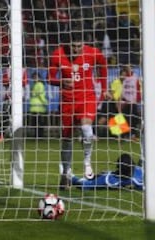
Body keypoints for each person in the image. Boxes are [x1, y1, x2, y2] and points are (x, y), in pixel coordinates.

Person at [48, 32, 112, 190]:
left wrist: (104, 88)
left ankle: (87, 162)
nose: (76, 50)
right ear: (67, 44)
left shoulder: (92, 52)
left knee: (86, 127)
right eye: (73, 46)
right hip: (67, 102)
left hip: (86, 98)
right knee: (67, 139)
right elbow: (50, 78)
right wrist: (60, 82)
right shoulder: (57, 54)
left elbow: (103, 65)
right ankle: (66, 174)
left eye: (79, 46)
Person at [71, 148, 155, 191]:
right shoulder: (111, 178)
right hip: (147, 177)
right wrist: (72, 178)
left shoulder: (112, 178)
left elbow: (86, 185)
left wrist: (72, 178)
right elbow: (87, 185)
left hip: (149, 176)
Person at [117, 65, 142, 140]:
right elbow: (121, 89)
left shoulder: (135, 77)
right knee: (124, 118)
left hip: (132, 101)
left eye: (129, 68)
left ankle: (132, 134)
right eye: (126, 68)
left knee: (133, 119)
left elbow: (138, 88)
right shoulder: (122, 78)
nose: (128, 69)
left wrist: (138, 98)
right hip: (124, 101)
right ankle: (124, 135)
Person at [29, 72, 48, 138]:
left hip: (39, 106)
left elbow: (40, 95)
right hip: (35, 106)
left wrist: (45, 102)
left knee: (38, 122)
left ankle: (39, 135)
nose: (34, 79)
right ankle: (37, 135)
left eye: (36, 77)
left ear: (39, 78)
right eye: (33, 77)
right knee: (35, 122)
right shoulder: (35, 84)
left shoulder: (39, 85)